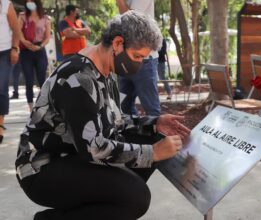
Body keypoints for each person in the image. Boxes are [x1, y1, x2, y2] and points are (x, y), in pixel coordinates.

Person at [16, 11, 191, 220]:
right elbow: (93, 148)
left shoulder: (105, 69)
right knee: (137, 197)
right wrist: (151, 153)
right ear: (118, 44)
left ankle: (104, 205)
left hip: (72, 154)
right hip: (43, 169)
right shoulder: (79, 77)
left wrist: (154, 123)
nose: (139, 64)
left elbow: (113, 121)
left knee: (153, 138)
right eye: (137, 56)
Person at [116, 0, 161, 116]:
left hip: (144, 61)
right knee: (123, 106)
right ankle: (133, 132)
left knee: (151, 109)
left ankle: (155, 133)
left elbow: (129, 19)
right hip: (126, 59)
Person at [18, 0, 51, 112]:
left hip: (39, 50)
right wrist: (24, 41)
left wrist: (40, 46)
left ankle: (44, 105)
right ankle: (31, 108)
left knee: (42, 79)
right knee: (29, 80)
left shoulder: (45, 18)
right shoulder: (22, 16)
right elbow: (18, 31)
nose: (29, 3)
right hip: (25, 51)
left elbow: (47, 37)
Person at [0, 0, 20, 144]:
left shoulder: (6, 4)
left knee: (1, 87)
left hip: (4, 52)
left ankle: (0, 124)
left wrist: (15, 48)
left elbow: (16, 29)